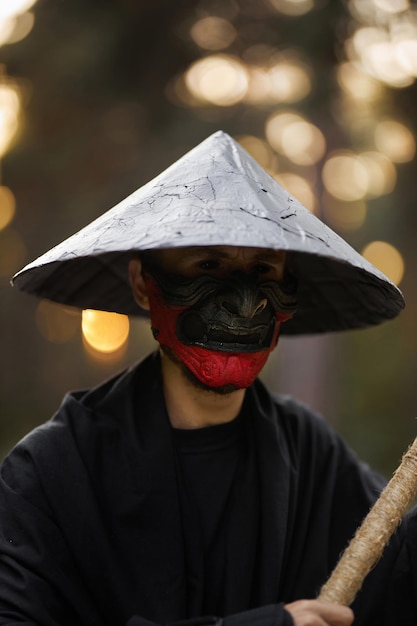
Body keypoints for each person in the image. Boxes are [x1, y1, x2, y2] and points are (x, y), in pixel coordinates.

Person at [1, 131, 406, 626]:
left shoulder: (309, 452)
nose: (244, 301)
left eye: (263, 269)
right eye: (209, 265)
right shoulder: (55, 469)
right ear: (142, 284)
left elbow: (397, 579)